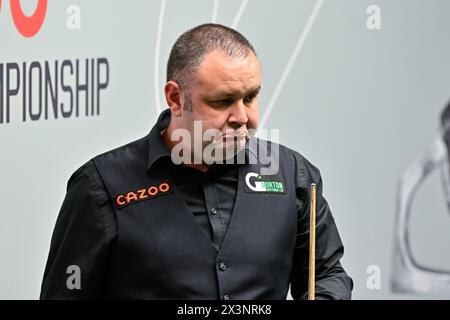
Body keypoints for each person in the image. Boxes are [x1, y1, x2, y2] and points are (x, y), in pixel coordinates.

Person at [40, 23, 353, 300]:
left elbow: (327, 275)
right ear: (176, 98)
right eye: (222, 101)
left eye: (250, 97)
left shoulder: (291, 174)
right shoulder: (100, 187)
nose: (242, 118)